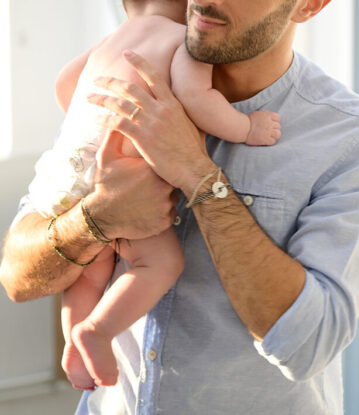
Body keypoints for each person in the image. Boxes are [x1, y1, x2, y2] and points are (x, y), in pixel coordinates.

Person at [0, 0, 359, 413]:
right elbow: (17, 279)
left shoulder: (358, 142)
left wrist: (200, 177)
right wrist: (98, 218)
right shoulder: (121, 93)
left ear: (309, 5)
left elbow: (307, 346)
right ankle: (86, 343)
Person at [27, 0, 281, 392]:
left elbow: (65, 84)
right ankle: (96, 331)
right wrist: (248, 127)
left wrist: (87, 128)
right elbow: (199, 101)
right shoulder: (184, 41)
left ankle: (74, 350)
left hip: (68, 172)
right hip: (127, 172)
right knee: (159, 263)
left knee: (88, 272)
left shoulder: (113, 40)